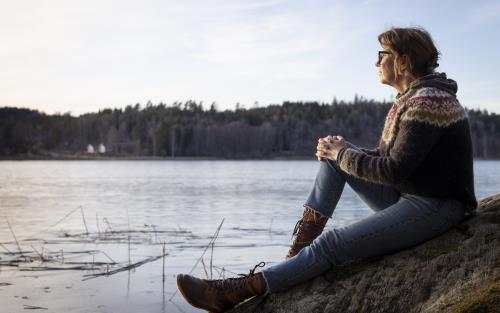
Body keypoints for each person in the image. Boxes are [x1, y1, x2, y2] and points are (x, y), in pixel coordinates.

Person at [176, 26, 477, 313]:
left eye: (381, 54)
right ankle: (297, 255)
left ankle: (239, 290)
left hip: (437, 206)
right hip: (411, 195)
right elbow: (392, 158)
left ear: (403, 61)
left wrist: (344, 152)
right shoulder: (413, 98)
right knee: (335, 161)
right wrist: (342, 151)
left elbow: (393, 170)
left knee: (332, 244)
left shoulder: (429, 101)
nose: (376, 61)